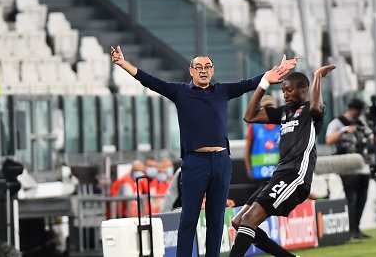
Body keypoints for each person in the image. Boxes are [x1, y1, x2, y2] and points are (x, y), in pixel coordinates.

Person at [111, 45, 299, 257]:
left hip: (221, 161)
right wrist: (123, 63)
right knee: (189, 218)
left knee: (216, 220)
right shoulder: (180, 92)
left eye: (207, 66)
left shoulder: (222, 91)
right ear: (191, 71)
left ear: (212, 70)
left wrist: (279, 70)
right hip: (194, 162)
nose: (203, 70)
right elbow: (150, 80)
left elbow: (250, 83)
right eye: (198, 66)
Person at [229, 65, 335, 257]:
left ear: (303, 88)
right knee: (238, 221)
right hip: (278, 174)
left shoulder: (312, 112)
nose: (285, 94)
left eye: (289, 89)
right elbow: (249, 116)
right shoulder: (284, 112)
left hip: (295, 175)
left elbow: (314, 105)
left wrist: (318, 76)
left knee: (249, 220)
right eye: (283, 90)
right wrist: (264, 83)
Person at [325, 97, 375, 239]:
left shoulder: (361, 122)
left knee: (362, 197)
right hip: (346, 164)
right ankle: (351, 230)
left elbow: (373, 139)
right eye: (358, 111)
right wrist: (344, 130)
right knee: (351, 196)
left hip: (362, 164)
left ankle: (356, 229)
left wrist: (374, 129)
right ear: (354, 110)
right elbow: (329, 140)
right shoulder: (337, 122)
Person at [244, 95, 281, 181]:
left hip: (278, 173)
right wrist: (249, 169)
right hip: (259, 174)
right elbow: (247, 150)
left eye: (270, 106)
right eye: (265, 107)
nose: (268, 110)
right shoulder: (254, 126)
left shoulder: (281, 125)